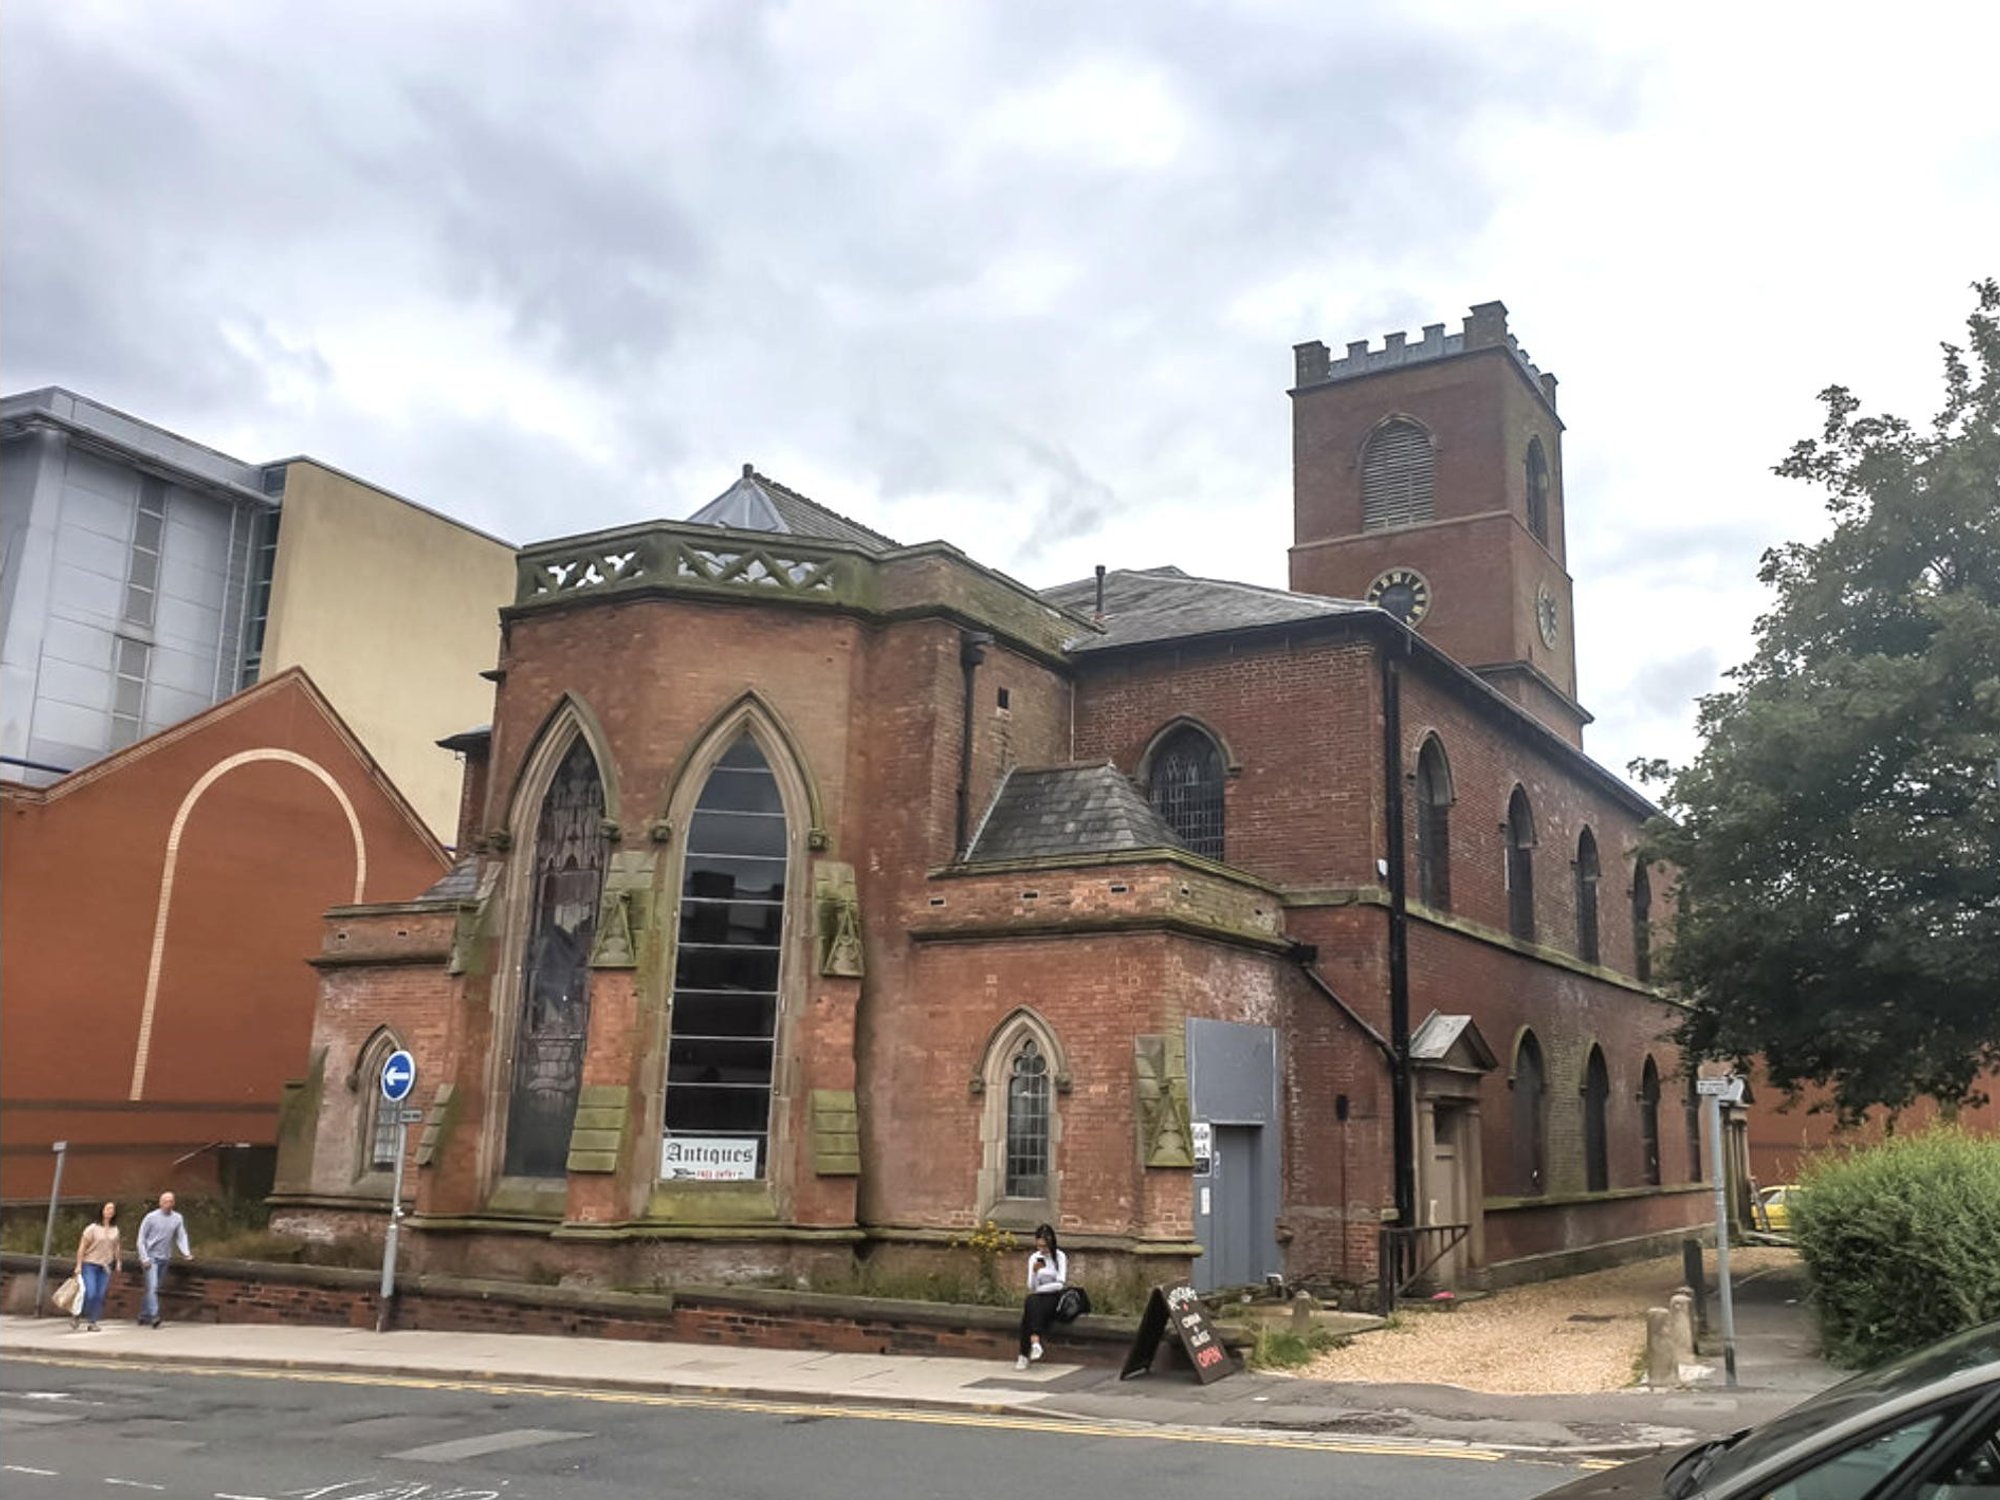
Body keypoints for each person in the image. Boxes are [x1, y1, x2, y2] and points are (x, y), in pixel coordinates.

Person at [135, 1191, 192, 1328]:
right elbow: (141, 1238)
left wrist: (186, 1252)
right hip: (151, 1257)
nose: (168, 1204)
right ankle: (155, 1316)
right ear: (160, 1203)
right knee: (153, 1287)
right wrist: (144, 1257)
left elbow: (181, 1236)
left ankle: (143, 1315)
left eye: (171, 1201)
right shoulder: (151, 1218)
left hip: (165, 1257)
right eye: (165, 1201)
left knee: (154, 1288)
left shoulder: (177, 1218)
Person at [1016, 1223, 1067, 1370]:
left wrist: (1040, 1289)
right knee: (1031, 1303)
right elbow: (1031, 1286)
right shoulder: (1034, 1258)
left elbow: (1060, 1284)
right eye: (1039, 1246)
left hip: (1054, 1297)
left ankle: (1024, 1354)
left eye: (1044, 1246)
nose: (1042, 1250)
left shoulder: (1060, 1257)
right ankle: (1035, 1343)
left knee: (1031, 1305)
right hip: (1038, 1298)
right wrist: (1034, 1272)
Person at [73, 1201, 122, 1331]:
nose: (110, 1211)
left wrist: (118, 1261)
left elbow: (116, 1246)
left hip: (105, 1266)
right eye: (108, 1208)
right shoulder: (92, 1229)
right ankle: (78, 1312)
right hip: (90, 1264)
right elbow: (82, 1247)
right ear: (102, 1210)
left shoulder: (115, 1230)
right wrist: (78, 1265)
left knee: (100, 1295)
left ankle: (92, 1321)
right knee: (90, 1293)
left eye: (112, 1209)